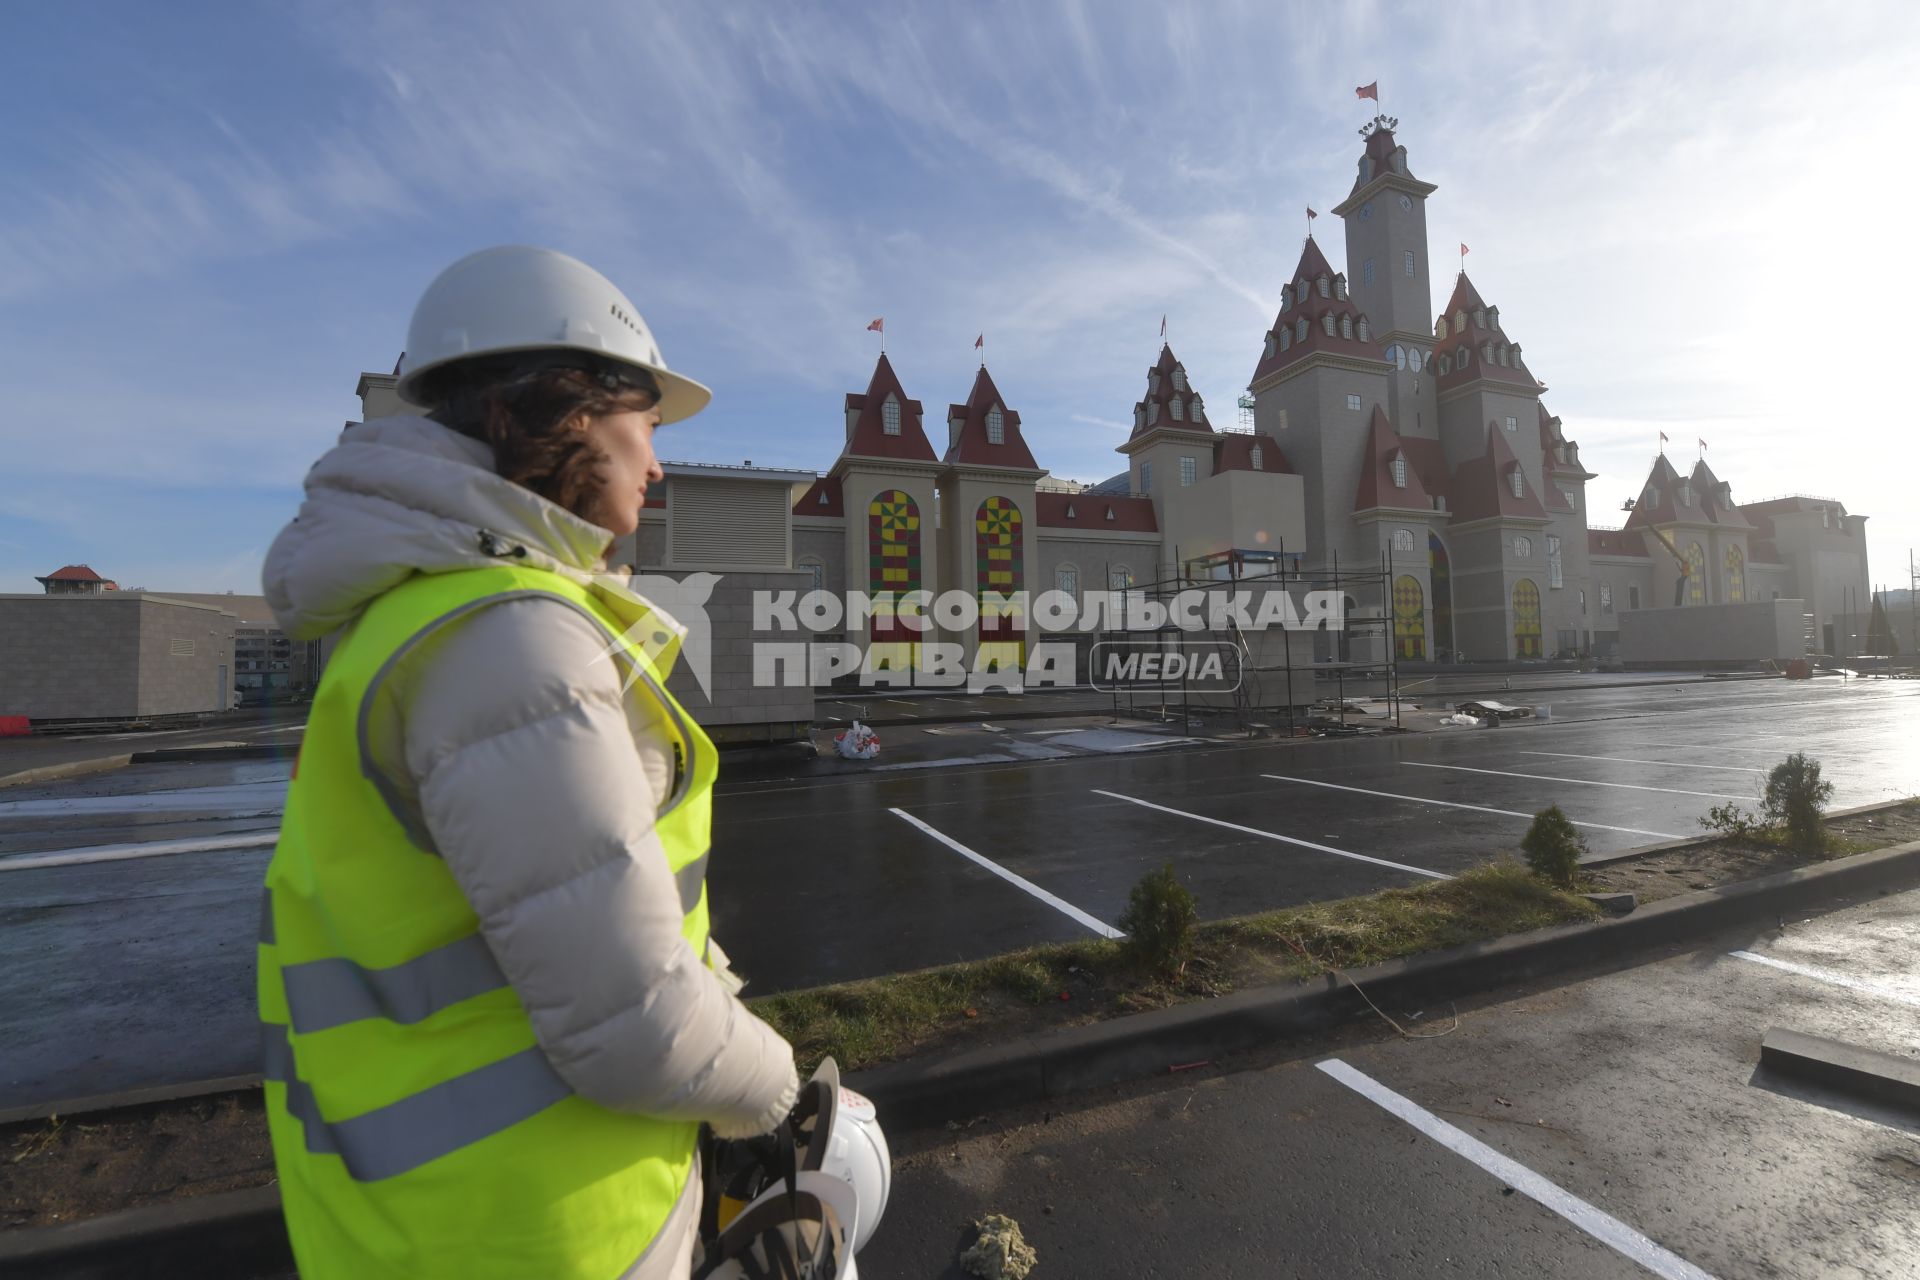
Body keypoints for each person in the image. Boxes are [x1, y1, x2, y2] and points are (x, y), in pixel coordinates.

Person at [257, 246, 799, 1279]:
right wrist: (779, 1092)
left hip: (432, 1216)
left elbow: (573, 917)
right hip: (547, 1225)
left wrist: (715, 995)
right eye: (643, 423)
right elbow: (632, 1022)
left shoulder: (426, 608)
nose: (659, 462)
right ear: (557, 412)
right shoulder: (508, 639)